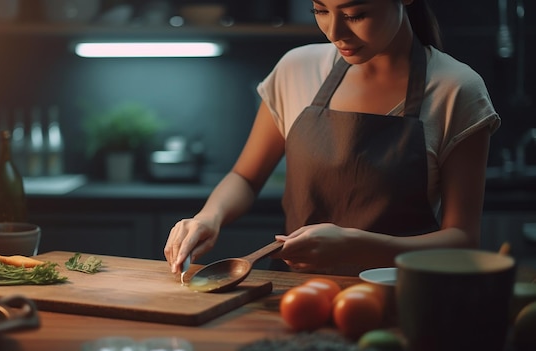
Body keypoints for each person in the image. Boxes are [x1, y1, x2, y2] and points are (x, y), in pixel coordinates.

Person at [164, 0, 500, 276]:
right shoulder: (295, 69)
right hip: (295, 295)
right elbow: (246, 178)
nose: (335, 33)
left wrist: (355, 245)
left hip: (400, 298)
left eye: (356, 14)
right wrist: (208, 217)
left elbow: (462, 240)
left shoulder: (456, 90)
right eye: (320, 10)